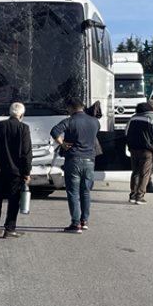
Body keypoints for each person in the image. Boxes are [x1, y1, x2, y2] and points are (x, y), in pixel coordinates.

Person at [50, 98, 100, 233]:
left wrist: (62, 143)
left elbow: (54, 131)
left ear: (70, 108)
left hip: (73, 159)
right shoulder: (94, 122)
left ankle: (75, 223)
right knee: (86, 191)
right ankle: (85, 221)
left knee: (73, 192)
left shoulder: (69, 121)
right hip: (89, 160)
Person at [0, 102, 31, 238]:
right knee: (14, 200)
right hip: (16, 171)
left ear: (10, 113)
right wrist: (27, 172)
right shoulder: (23, 128)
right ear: (21, 115)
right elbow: (26, 153)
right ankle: (9, 228)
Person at [126, 102, 153, 205]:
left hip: (133, 149)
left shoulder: (133, 118)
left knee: (135, 172)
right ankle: (140, 197)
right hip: (147, 150)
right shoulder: (152, 118)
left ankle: (132, 195)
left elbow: (126, 132)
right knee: (145, 173)